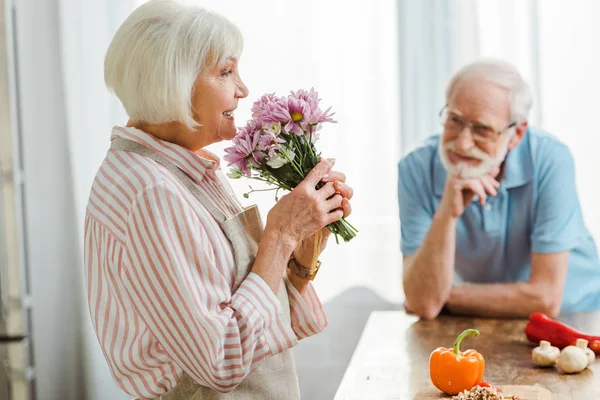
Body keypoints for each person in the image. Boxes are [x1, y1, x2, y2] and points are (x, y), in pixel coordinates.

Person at [84, 1, 353, 398]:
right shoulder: (151, 192)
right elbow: (221, 360)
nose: (243, 89)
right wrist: (279, 235)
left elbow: (256, 316)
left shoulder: (181, 169)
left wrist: (300, 248)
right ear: (172, 81)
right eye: (226, 72)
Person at [397, 58, 600, 320]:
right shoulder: (415, 168)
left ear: (517, 134)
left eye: (482, 129)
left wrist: (446, 295)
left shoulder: (551, 159)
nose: (462, 143)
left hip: (578, 315)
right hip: (479, 319)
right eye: (455, 120)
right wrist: (447, 212)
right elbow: (424, 305)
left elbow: (546, 298)